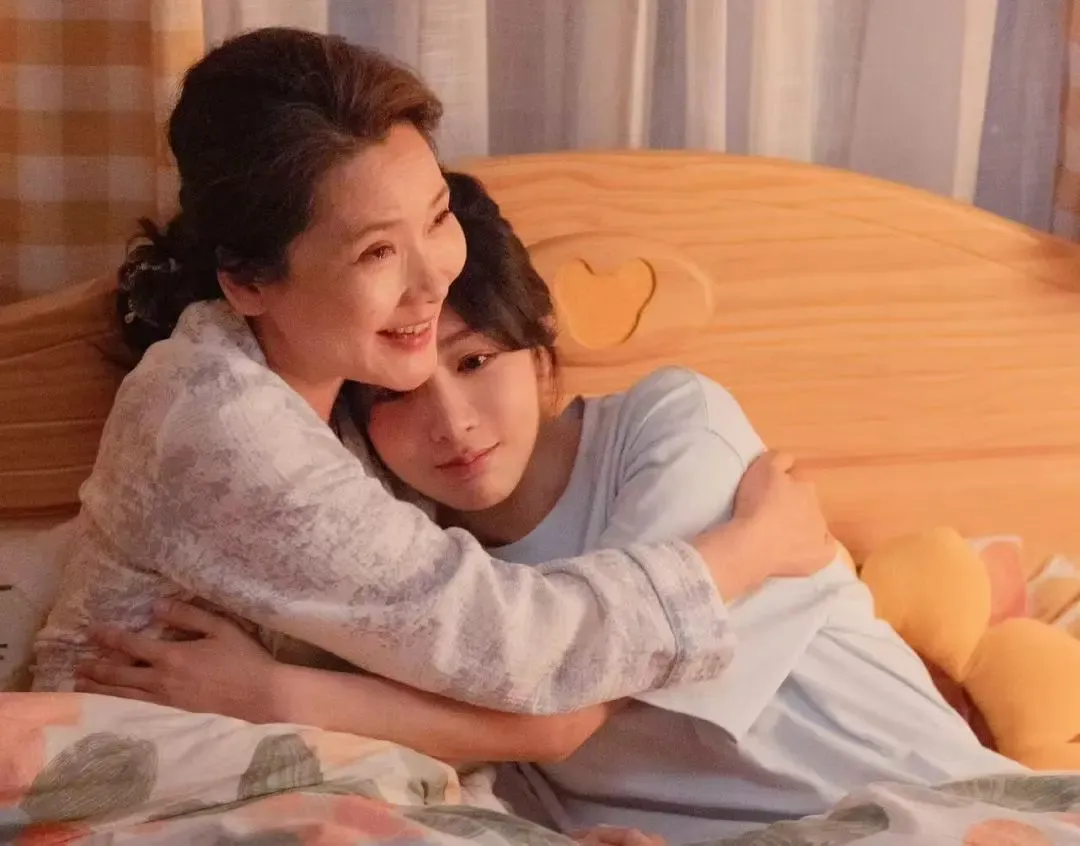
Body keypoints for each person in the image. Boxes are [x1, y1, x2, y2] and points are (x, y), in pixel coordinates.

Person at [76, 173, 1024, 844]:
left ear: (539, 350)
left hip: (936, 802)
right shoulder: (410, 570)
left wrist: (274, 696)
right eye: (396, 397)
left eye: (476, 360)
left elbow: (562, 712)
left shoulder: (670, 424)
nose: (451, 422)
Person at [33, 28, 835, 718]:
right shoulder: (221, 423)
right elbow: (515, 650)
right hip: (140, 779)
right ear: (247, 282)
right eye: (377, 251)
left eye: (438, 217)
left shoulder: (345, 398)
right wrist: (750, 549)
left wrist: (279, 695)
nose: (433, 280)